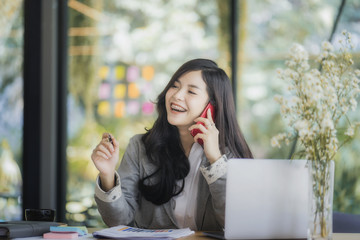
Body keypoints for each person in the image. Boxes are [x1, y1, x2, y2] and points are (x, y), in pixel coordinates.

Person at [91, 58, 253, 231]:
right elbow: (119, 222)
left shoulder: (231, 156)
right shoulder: (140, 146)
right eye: (175, 86)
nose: (176, 95)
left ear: (211, 106)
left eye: (191, 91)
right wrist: (107, 176)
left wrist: (215, 160)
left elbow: (236, 225)